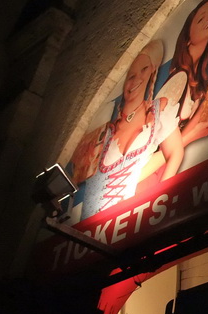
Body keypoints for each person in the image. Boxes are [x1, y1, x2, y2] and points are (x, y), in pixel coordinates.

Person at [68, 40, 183, 220]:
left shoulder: (158, 112)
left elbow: (176, 152)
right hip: (91, 226)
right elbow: (79, 174)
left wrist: (162, 200)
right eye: (131, 75)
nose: (136, 80)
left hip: (129, 221)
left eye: (144, 70)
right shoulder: (104, 132)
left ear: (152, 72)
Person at [157, 0, 208, 149]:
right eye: (201, 19)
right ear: (186, 37)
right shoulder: (178, 78)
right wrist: (195, 133)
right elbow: (160, 146)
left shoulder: (199, 78)